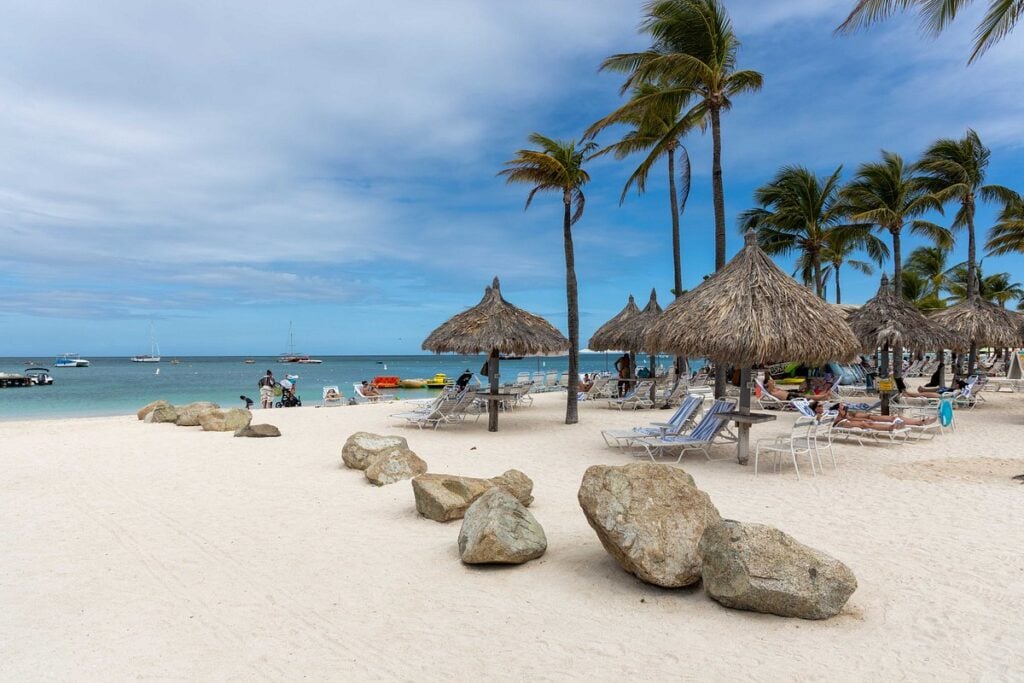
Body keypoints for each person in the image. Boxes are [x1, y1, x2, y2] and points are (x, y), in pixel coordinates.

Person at [835, 403, 935, 430]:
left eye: (846, 407)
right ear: (839, 410)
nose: (846, 409)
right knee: (867, 423)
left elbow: (856, 417)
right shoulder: (839, 418)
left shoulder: (851, 414)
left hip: (870, 417)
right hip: (868, 418)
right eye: (844, 408)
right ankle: (890, 427)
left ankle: (919, 422)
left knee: (893, 417)